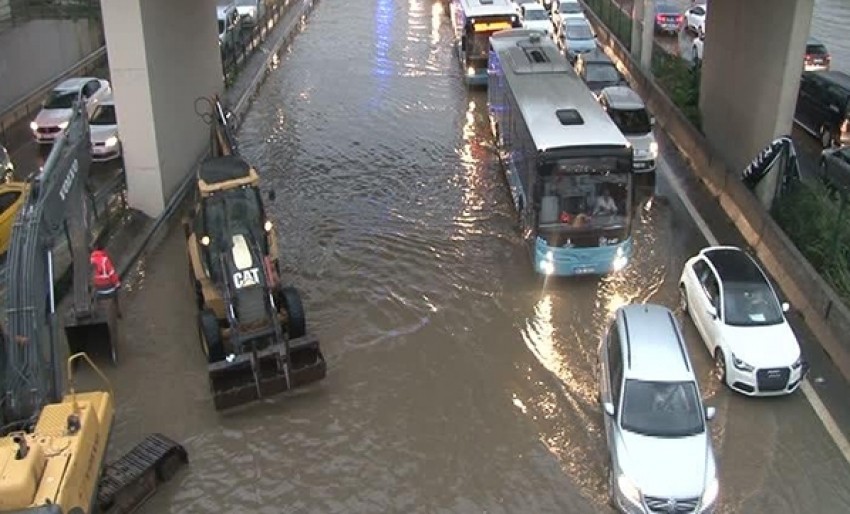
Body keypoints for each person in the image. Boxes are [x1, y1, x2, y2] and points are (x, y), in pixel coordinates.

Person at [90, 246, 122, 317]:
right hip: (109, 289)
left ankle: (98, 313)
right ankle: (118, 312)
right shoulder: (105, 260)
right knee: (115, 295)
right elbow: (112, 274)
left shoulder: (91, 260)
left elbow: (92, 278)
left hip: (99, 291)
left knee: (95, 294)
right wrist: (117, 284)